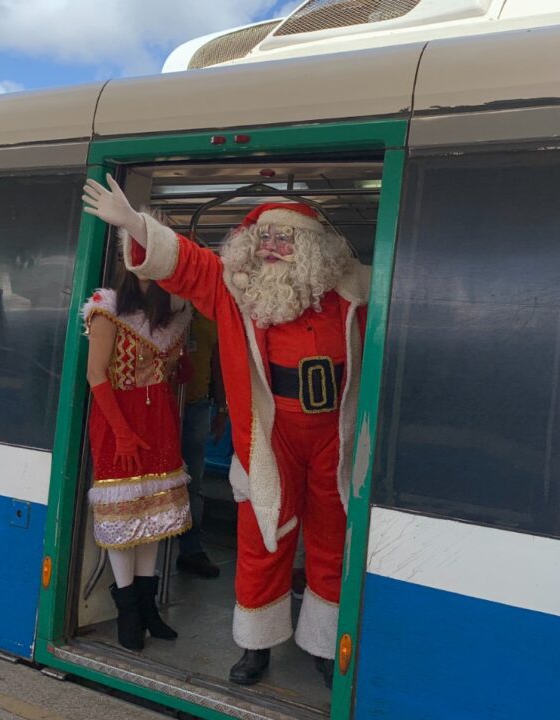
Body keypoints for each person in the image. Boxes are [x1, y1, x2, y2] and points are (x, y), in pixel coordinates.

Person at [83, 177, 369, 689]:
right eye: (264, 240)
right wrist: (135, 225)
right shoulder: (235, 292)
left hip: (336, 438)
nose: (272, 250)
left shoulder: (353, 293)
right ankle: (255, 646)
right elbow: (187, 263)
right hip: (269, 437)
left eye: (285, 240)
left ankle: (325, 646)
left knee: (332, 542)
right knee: (263, 538)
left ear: (309, 248)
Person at [82, 255, 193, 652]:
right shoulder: (107, 309)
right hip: (119, 420)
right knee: (123, 513)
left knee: (155, 512)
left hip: (159, 417)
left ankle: (147, 608)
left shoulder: (173, 315)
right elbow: (96, 374)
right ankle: (129, 609)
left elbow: (174, 370)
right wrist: (122, 434)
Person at [175, 309, 226, 579]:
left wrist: (222, 406)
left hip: (197, 406)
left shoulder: (209, 313)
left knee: (194, 483)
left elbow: (217, 361)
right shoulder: (166, 309)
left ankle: (191, 549)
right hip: (164, 407)